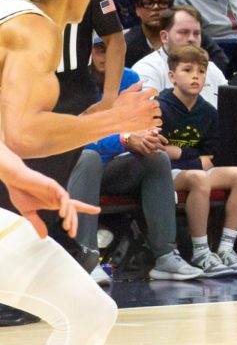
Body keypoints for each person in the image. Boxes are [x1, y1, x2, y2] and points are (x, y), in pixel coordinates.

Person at [0, 0, 160, 345]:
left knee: (89, 311)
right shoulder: (35, 31)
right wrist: (114, 119)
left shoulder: (8, 13)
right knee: (89, 313)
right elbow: (24, 133)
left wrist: (17, 175)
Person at [68, 35, 205, 282]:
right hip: (68, 169)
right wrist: (124, 138)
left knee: (157, 158)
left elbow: (142, 123)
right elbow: (72, 138)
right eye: (100, 50)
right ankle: (86, 258)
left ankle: (165, 256)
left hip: (111, 168)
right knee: (87, 156)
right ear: (85, 52)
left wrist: (150, 136)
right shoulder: (70, 83)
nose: (107, 56)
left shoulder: (130, 79)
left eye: (113, 50)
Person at [158, 45, 237, 276]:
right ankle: (201, 252)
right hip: (163, 173)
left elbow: (211, 157)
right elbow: (158, 151)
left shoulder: (208, 112)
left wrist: (180, 153)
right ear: (172, 76)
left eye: (201, 71)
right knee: (199, 177)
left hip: (193, 169)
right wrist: (191, 157)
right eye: (187, 70)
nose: (195, 76)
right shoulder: (159, 106)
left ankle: (226, 248)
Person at [131, 6, 225, 106]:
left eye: (197, 33)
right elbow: (148, 113)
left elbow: (230, 107)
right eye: (184, 32)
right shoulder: (146, 69)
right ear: (164, 37)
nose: (191, 39)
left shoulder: (212, 69)